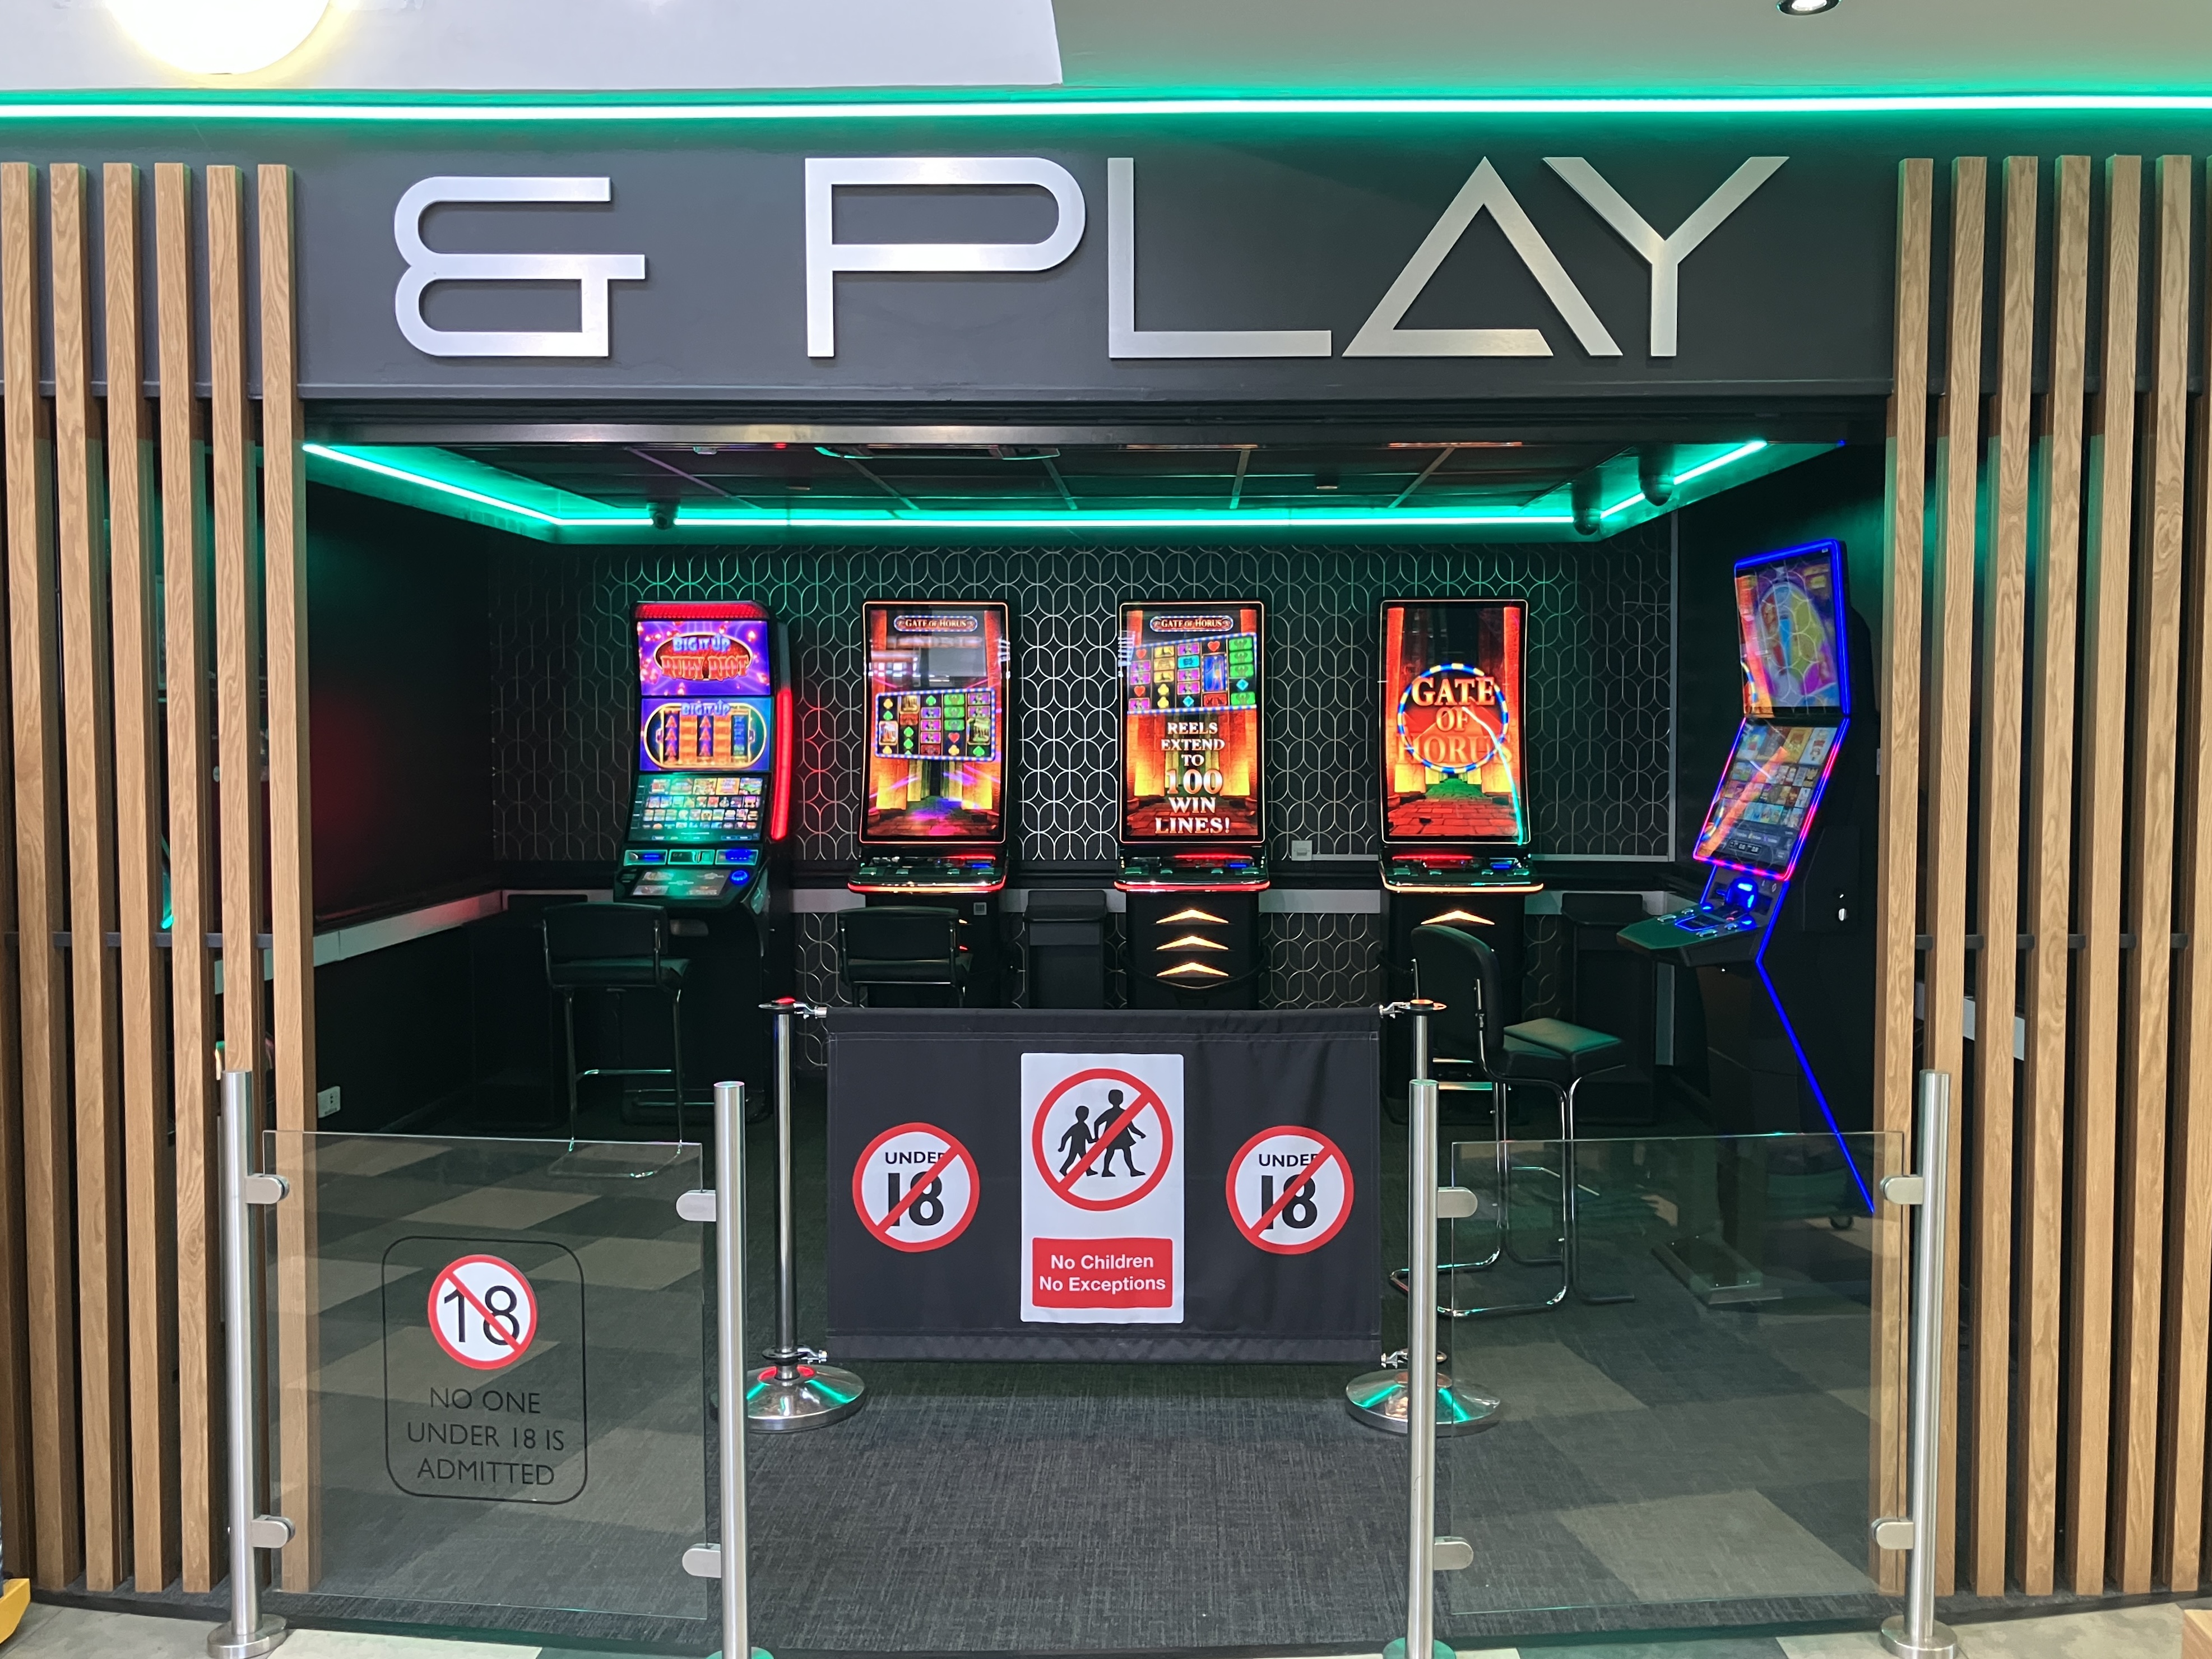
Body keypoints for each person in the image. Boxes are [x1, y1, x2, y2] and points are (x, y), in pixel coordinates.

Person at [1095, 1087, 1147, 1178]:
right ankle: (1108, 1170)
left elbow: (1097, 1123)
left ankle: (1130, 1170)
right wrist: (1141, 1134)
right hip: (1116, 1137)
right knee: (1116, 1152)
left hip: (1119, 1137)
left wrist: (1141, 1134)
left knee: (1116, 1152)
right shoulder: (1122, 1113)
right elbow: (1132, 1128)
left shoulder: (1116, 1113)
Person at [1055, 1103, 1096, 1177]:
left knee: (1083, 1159)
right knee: (1072, 1159)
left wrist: (1096, 1140)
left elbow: (1089, 1140)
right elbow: (1065, 1137)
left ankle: (1088, 1171)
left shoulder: (1082, 1127)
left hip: (1080, 1147)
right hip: (1077, 1148)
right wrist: (1062, 1147)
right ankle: (1063, 1170)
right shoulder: (1082, 1127)